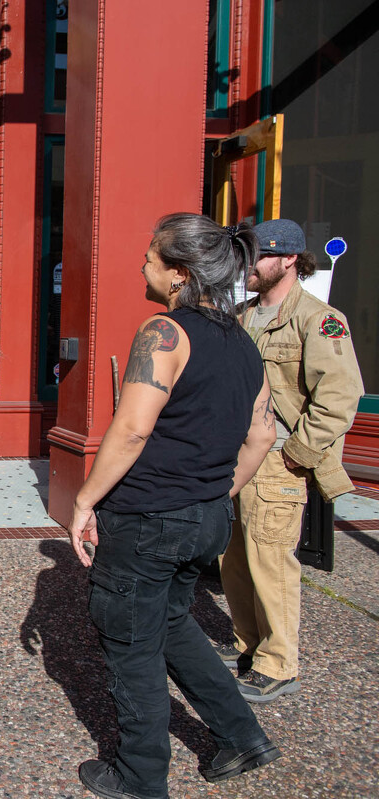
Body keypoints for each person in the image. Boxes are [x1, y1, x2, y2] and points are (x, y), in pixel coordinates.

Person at [68, 214, 281, 799]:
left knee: (132, 641)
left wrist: (85, 500)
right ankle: (242, 734)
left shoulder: (165, 333)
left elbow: (133, 429)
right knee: (172, 623)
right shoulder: (244, 343)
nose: (143, 266)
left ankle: (139, 776)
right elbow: (262, 434)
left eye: (150, 258)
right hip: (207, 515)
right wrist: (215, 493)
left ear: (180, 275)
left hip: (147, 518)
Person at [217, 218, 364, 703]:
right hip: (239, 457)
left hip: (279, 462)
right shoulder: (241, 315)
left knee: (270, 560)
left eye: (258, 255)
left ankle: (279, 663)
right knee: (234, 558)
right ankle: (249, 645)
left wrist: (298, 454)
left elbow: (340, 397)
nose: (248, 265)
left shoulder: (318, 318)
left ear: (289, 261)